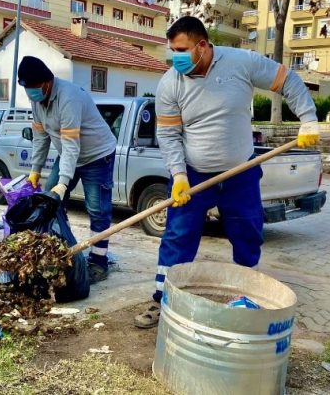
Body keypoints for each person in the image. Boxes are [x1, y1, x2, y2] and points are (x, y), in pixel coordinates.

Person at [134, 16, 320, 328]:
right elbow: (168, 135)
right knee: (178, 235)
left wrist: (308, 118)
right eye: (172, 51)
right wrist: (178, 174)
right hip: (194, 175)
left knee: (248, 232)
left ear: (202, 45)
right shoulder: (169, 83)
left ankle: (246, 297)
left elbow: (287, 80)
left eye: (181, 50)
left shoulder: (241, 63)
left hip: (241, 172)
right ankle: (162, 298)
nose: (174, 57)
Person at [18, 56, 118, 283]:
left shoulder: (69, 97)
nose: (29, 93)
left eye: (32, 88)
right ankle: (62, 248)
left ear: (46, 83)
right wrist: (35, 169)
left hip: (96, 155)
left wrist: (63, 182)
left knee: (97, 210)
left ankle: (99, 263)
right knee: (51, 201)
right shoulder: (37, 100)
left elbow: (72, 144)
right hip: (69, 155)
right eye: (26, 89)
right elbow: (40, 137)